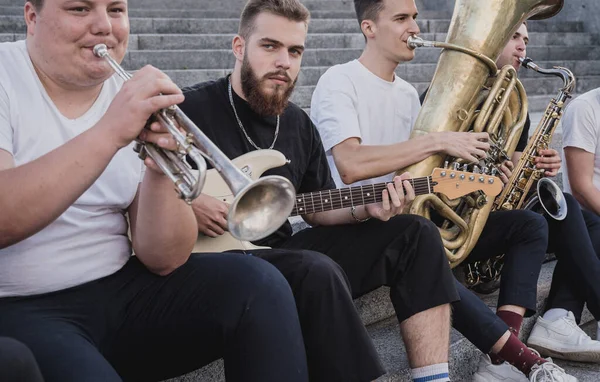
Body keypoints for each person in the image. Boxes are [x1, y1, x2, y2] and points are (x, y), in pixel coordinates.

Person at [0, 1, 314, 381]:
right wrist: (110, 132)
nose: (104, 27)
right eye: (80, 9)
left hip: (117, 288)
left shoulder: (123, 91)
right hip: (19, 303)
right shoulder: (7, 75)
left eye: (116, 10)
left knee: (261, 286)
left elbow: (163, 257)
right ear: (32, 18)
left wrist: (161, 168)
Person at [179, 0, 460, 381]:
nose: (284, 61)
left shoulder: (297, 124)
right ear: (239, 47)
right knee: (315, 269)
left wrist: (367, 208)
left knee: (416, 234)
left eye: (294, 51)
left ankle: (433, 377)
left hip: (275, 251)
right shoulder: (188, 110)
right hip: (208, 261)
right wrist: (189, 203)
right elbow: (137, 182)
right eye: (270, 46)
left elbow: (316, 209)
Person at [310, 2, 576, 381]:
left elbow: (421, 175)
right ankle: (519, 359)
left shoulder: (406, 94)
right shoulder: (340, 79)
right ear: (369, 27)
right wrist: (437, 141)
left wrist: (484, 174)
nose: (414, 26)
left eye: (415, 17)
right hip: (358, 222)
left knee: (528, 226)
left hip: (408, 216)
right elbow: (351, 164)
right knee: (420, 243)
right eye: (401, 18)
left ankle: (501, 352)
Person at [527, 84, 600, 362]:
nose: (522, 44)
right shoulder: (585, 108)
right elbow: (581, 187)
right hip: (584, 217)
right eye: (517, 36)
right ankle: (557, 316)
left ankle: (557, 316)